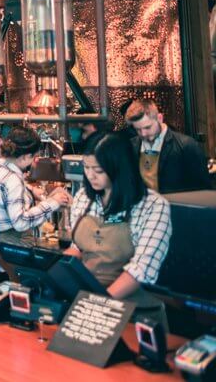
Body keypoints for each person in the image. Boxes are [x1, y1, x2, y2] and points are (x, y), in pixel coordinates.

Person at [67, 134, 171, 327]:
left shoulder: (153, 206)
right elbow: (78, 249)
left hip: (136, 315)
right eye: (86, 167)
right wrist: (56, 272)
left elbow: (142, 270)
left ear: (120, 168)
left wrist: (100, 304)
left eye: (98, 169)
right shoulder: (84, 197)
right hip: (87, 306)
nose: (90, 176)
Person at [0, 126, 72, 246]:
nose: (33, 161)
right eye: (34, 157)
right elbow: (21, 222)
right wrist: (53, 203)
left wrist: (30, 190)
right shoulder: (14, 180)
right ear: (26, 157)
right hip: (12, 248)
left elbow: (3, 186)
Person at [126, 99, 211, 193]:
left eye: (148, 127)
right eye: (138, 129)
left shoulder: (187, 145)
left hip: (177, 206)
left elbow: (203, 189)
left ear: (159, 118)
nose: (143, 133)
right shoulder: (131, 146)